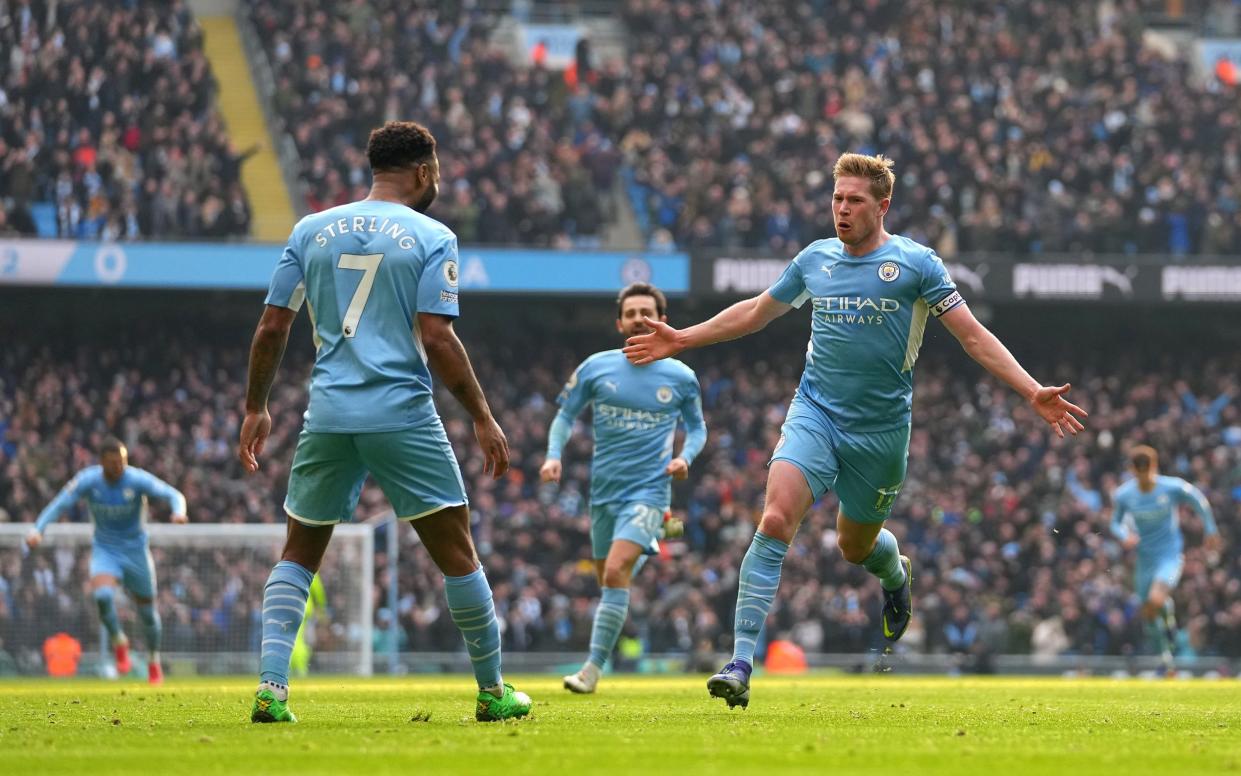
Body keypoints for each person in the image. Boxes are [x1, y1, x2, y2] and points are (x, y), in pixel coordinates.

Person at [624, 153, 1087, 709]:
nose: (841, 209)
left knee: (854, 546)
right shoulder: (814, 259)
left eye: (855, 201)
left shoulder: (917, 265)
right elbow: (755, 312)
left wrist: (1030, 389)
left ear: (882, 207)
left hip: (883, 431)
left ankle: (895, 575)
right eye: (837, 198)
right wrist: (682, 338)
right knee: (774, 518)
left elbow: (972, 336)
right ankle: (741, 662)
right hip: (815, 411)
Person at [238, 120, 532, 723]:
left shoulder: (311, 230)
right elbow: (438, 337)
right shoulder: (432, 235)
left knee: (299, 551)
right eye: (439, 172)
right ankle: (493, 692)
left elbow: (272, 326)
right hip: (401, 412)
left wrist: (256, 406)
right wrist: (481, 414)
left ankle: (271, 689)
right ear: (423, 171)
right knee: (457, 551)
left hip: (328, 414)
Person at [540, 283, 707, 694]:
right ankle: (652, 542)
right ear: (619, 322)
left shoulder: (681, 376)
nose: (637, 318)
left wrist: (686, 458)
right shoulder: (596, 368)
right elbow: (565, 415)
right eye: (630, 312)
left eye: (645, 311)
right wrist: (553, 454)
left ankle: (591, 671)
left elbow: (698, 428)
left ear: (661, 320)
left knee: (615, 571)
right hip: (603, 495)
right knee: (610, 581)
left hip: (649, 492)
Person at [26, 437, 188, 684]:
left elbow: (173, 494)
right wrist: (38, 529)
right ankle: (119, 641)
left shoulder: (136, 479)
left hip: (136, 551)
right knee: (102, 596)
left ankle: (154, 660)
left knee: (148, 614)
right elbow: (59, 504)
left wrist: (179, 511)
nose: (119, 467)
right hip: (106, 550)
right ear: (102, 463)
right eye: (113, 462)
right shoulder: (88, 480)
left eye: (122, 461)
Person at [1109, 445, 1220, 670]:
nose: (1144, 478)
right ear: (1132, 470)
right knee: (1149, 612)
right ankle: (1165, 657)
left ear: (1154, 467)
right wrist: (1124, 535)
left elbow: (1198, 500)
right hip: (1144, 559)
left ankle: (1166, 634)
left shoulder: (1171, 487)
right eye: (1139, 474)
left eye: (1147, 472)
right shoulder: (1124, 494)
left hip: (1169, 556)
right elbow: (1115, 522)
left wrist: (1210, 528)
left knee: (1156, 599)